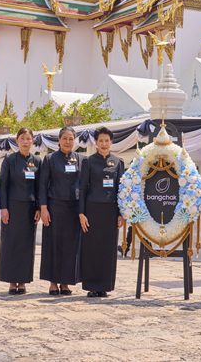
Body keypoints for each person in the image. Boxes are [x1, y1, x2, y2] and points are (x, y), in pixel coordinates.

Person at [78, 126, 124, 298]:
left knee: (108, 249)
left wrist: (121, 213)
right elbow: (82, 188)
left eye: (107, 140)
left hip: (111, 211)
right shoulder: (88, 162)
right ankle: (92, 286)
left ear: (111, 142)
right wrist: (81, 213)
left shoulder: (118, 162)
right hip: (92, 210)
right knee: (92, 249)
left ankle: (105, 285)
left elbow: (121, 189)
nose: (104, 144)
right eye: (100, 141)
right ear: (96, 143)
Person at [39, 126, 83, 296]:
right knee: (53, 245)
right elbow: (43, 185)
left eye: (71, 139)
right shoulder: (50, 159)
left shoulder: (80, 159)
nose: (67, 142)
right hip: (54, 207)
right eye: (64, 138)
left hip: (73, 208)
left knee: (71, 247)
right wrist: (43, 208)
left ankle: (66, 282)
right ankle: (53, 282)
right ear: (58, 140)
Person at [0, 128, 42, 295]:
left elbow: (39, 187)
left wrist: (38, 207)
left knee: (26, 246)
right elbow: (3, 186)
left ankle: (23, 280)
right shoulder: (9, 160)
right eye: (22, 138)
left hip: (30, 210)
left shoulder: (37, 161)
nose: (25, 141)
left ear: (33, 141)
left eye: (28, 138)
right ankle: (11, 280)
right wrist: (4, 208)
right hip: (12, 208)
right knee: (11, 244)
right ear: (17, 141)